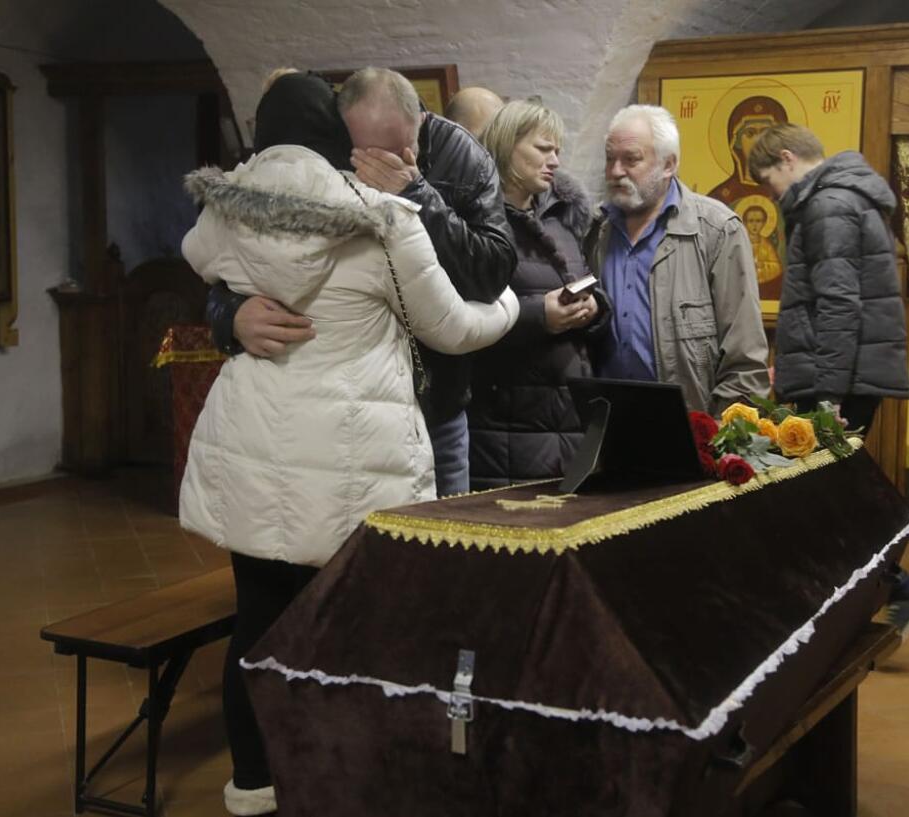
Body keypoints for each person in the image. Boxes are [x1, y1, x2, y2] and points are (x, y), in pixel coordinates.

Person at [178, 71, 518, 817]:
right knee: (359, 625)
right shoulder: (380, 220)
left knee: (257, 621)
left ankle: (257, 784)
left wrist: (232, 301)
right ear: (337, 134)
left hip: (253, 444)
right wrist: (512, 304)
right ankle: (346, 780)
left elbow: (195, 252)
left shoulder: (221, 218)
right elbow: (454, 327)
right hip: (352, 451)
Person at [205, 67, 517, 496]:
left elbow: (491, 274)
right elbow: (241, 265)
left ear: (420, 124)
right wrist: (230, 316)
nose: (374, 170)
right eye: (361, 154)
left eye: (395, 152)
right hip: (335, 414)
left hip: (435, 401)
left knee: (442, 550)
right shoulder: (323, 160)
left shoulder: (458, 154)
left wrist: (418, 195)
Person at [748, 122, 909, 637]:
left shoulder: (828, 205)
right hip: (845, 375)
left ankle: (896, 586)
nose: (770, 194)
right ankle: (849, 600)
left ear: (787, 159)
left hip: (838, 383)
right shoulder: (846, 197)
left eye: (767, 182)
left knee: (820, 498)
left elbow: (837, 305)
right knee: (824, 496)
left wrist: (826, 392)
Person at [583, 104, 770, 414]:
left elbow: (744, 357)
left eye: (631, 159)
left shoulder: (715, 230)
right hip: (609, 424)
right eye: (610, 159)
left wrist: (722, 439)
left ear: (668, 164)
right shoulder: (594, 230)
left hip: (692, 427)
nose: (615, 171)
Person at [467, 99, 608, 489]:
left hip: (569, 416)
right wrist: (537, 317)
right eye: (543, 149)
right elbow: (459, 321)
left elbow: (587, 285)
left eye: (557, 151)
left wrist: (594, 308)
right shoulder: (477, 222)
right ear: (507, 145)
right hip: (508, 424)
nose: (555, 161)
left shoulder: (562, 219)